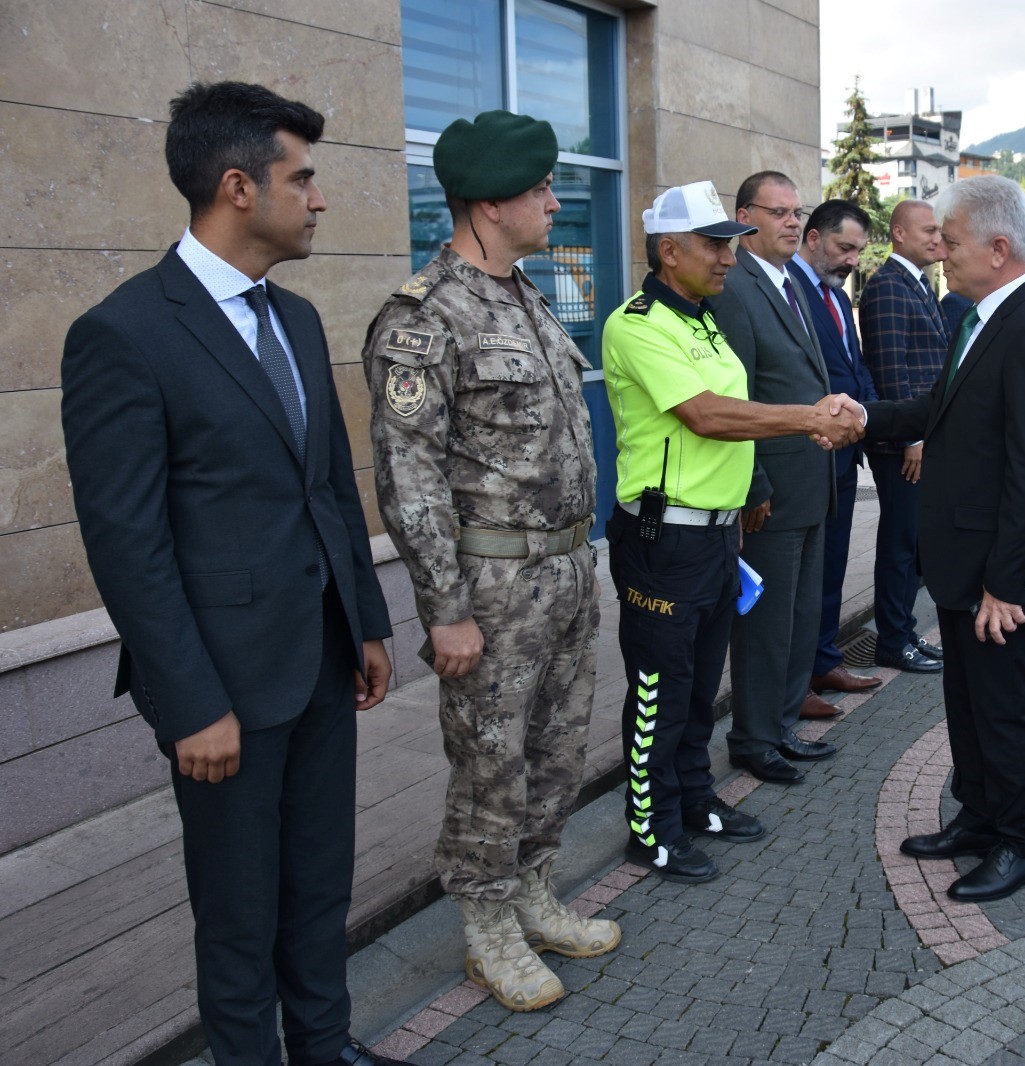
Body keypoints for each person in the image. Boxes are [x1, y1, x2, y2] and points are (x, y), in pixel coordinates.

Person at [60, 82, 406, 1066]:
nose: (320, 198)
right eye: (304, 178)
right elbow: (126, 541)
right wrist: (188, 701)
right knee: (239, 908)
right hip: (223, 690)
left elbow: (333, 488)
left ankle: (327, 1046)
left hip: (322, 661)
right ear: (237, 187)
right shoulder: (124, 335)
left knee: (318, 883)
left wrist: (368, 622)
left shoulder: (293, 321)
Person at [363, 110, 618, 1014]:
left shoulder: (527, 296)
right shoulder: (423, 318)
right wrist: (444, 609)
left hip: (564, 570)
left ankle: (534, 890)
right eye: (540, 188)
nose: (555, 201)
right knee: (491, 762)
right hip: (494, 586)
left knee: (555, 748)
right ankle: (486, 925)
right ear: (487, 202)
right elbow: (409, 476)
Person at [602, 181, 864, 882]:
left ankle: (693, 799)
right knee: (660, 689)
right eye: (714, 244)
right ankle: (650, 828)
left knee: (697, 687)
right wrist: (810, 417)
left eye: (729, 243)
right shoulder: (637, 323)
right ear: (668, 250)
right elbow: (708, 415)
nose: (727, 257)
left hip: (719, 536)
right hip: (665, 541)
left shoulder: (704, 318)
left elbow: (740, 409)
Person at [864, 175, 1025, 902]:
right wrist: (863, 419)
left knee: (1003, 710)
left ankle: (1022, 844)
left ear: (997, 246)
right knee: (967, 702)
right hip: (963, 561)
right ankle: (979, 819)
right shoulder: (977, 315)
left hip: (999, 577)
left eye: (949, 244)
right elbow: (936, 407)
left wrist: (1004, 584)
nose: (941, 256)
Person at [707, 171, 841, 785]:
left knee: (799, 616)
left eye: (797, 211)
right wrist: (754, 483)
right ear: (745, 216)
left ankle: (782, 725)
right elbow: (740, 395)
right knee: (765, 624)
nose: (792, 222)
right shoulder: (736, 288)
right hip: (772, 490)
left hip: (812, 481)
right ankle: (754, 738)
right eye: (778, 211)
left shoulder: (791, 284)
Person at [789, 199, 885, 706]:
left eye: (858, 251)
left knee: (832, 562)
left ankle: (824, 662)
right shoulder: (791, 289)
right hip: (808, 453)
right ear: (813, 238)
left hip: (844, 456)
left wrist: (873, 419)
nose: (852, 260)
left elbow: (853, 365)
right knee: (804, 574)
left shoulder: (833, 295)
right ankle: (797, 679)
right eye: (844, 247)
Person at [859, 199, 949, 676]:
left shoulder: (917, 282)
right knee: (900, 543)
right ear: (898, 233)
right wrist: (912, 438)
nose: (938, 238)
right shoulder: (889, 288)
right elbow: (891, 372)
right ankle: (892, 640)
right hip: (902, 446)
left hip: (920, 440)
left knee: (913, 544)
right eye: (929, 230)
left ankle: (904, 628)